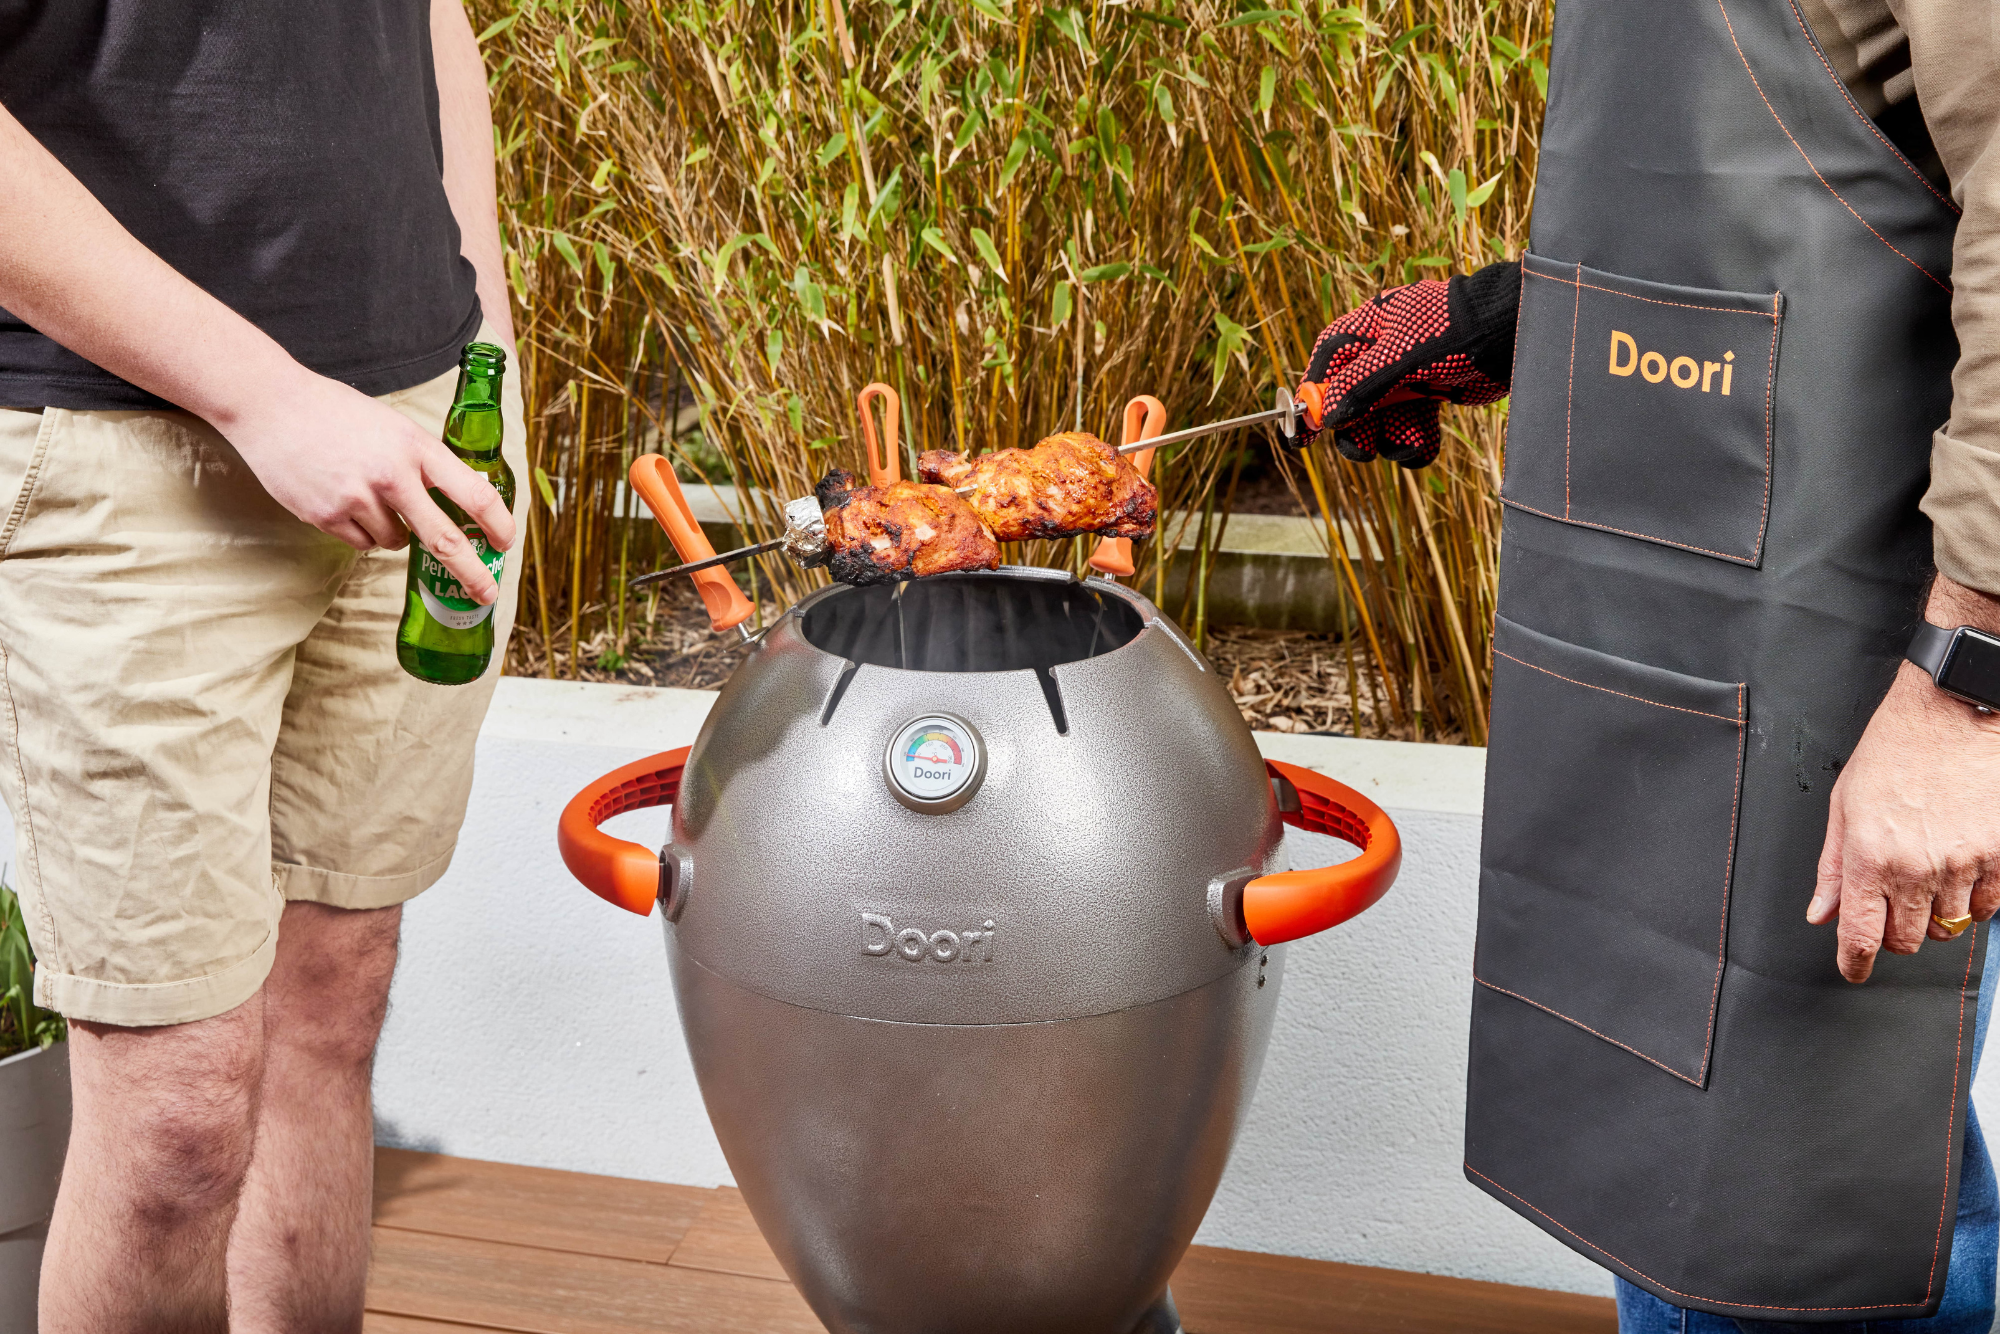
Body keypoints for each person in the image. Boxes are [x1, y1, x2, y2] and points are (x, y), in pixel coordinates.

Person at [1295, 0, 1999, 1328]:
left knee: (1797, 1197)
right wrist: (1526, 309)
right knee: (1687, 1169)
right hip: (1672, 592)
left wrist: (1972, 682)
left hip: (1867, 639)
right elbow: (1807, 176)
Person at [0, 3, 529, 1327]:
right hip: (123, 457)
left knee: (331, 1012)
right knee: (176, 1117)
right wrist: (261, 395)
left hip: (422, 427)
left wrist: (489, 346)